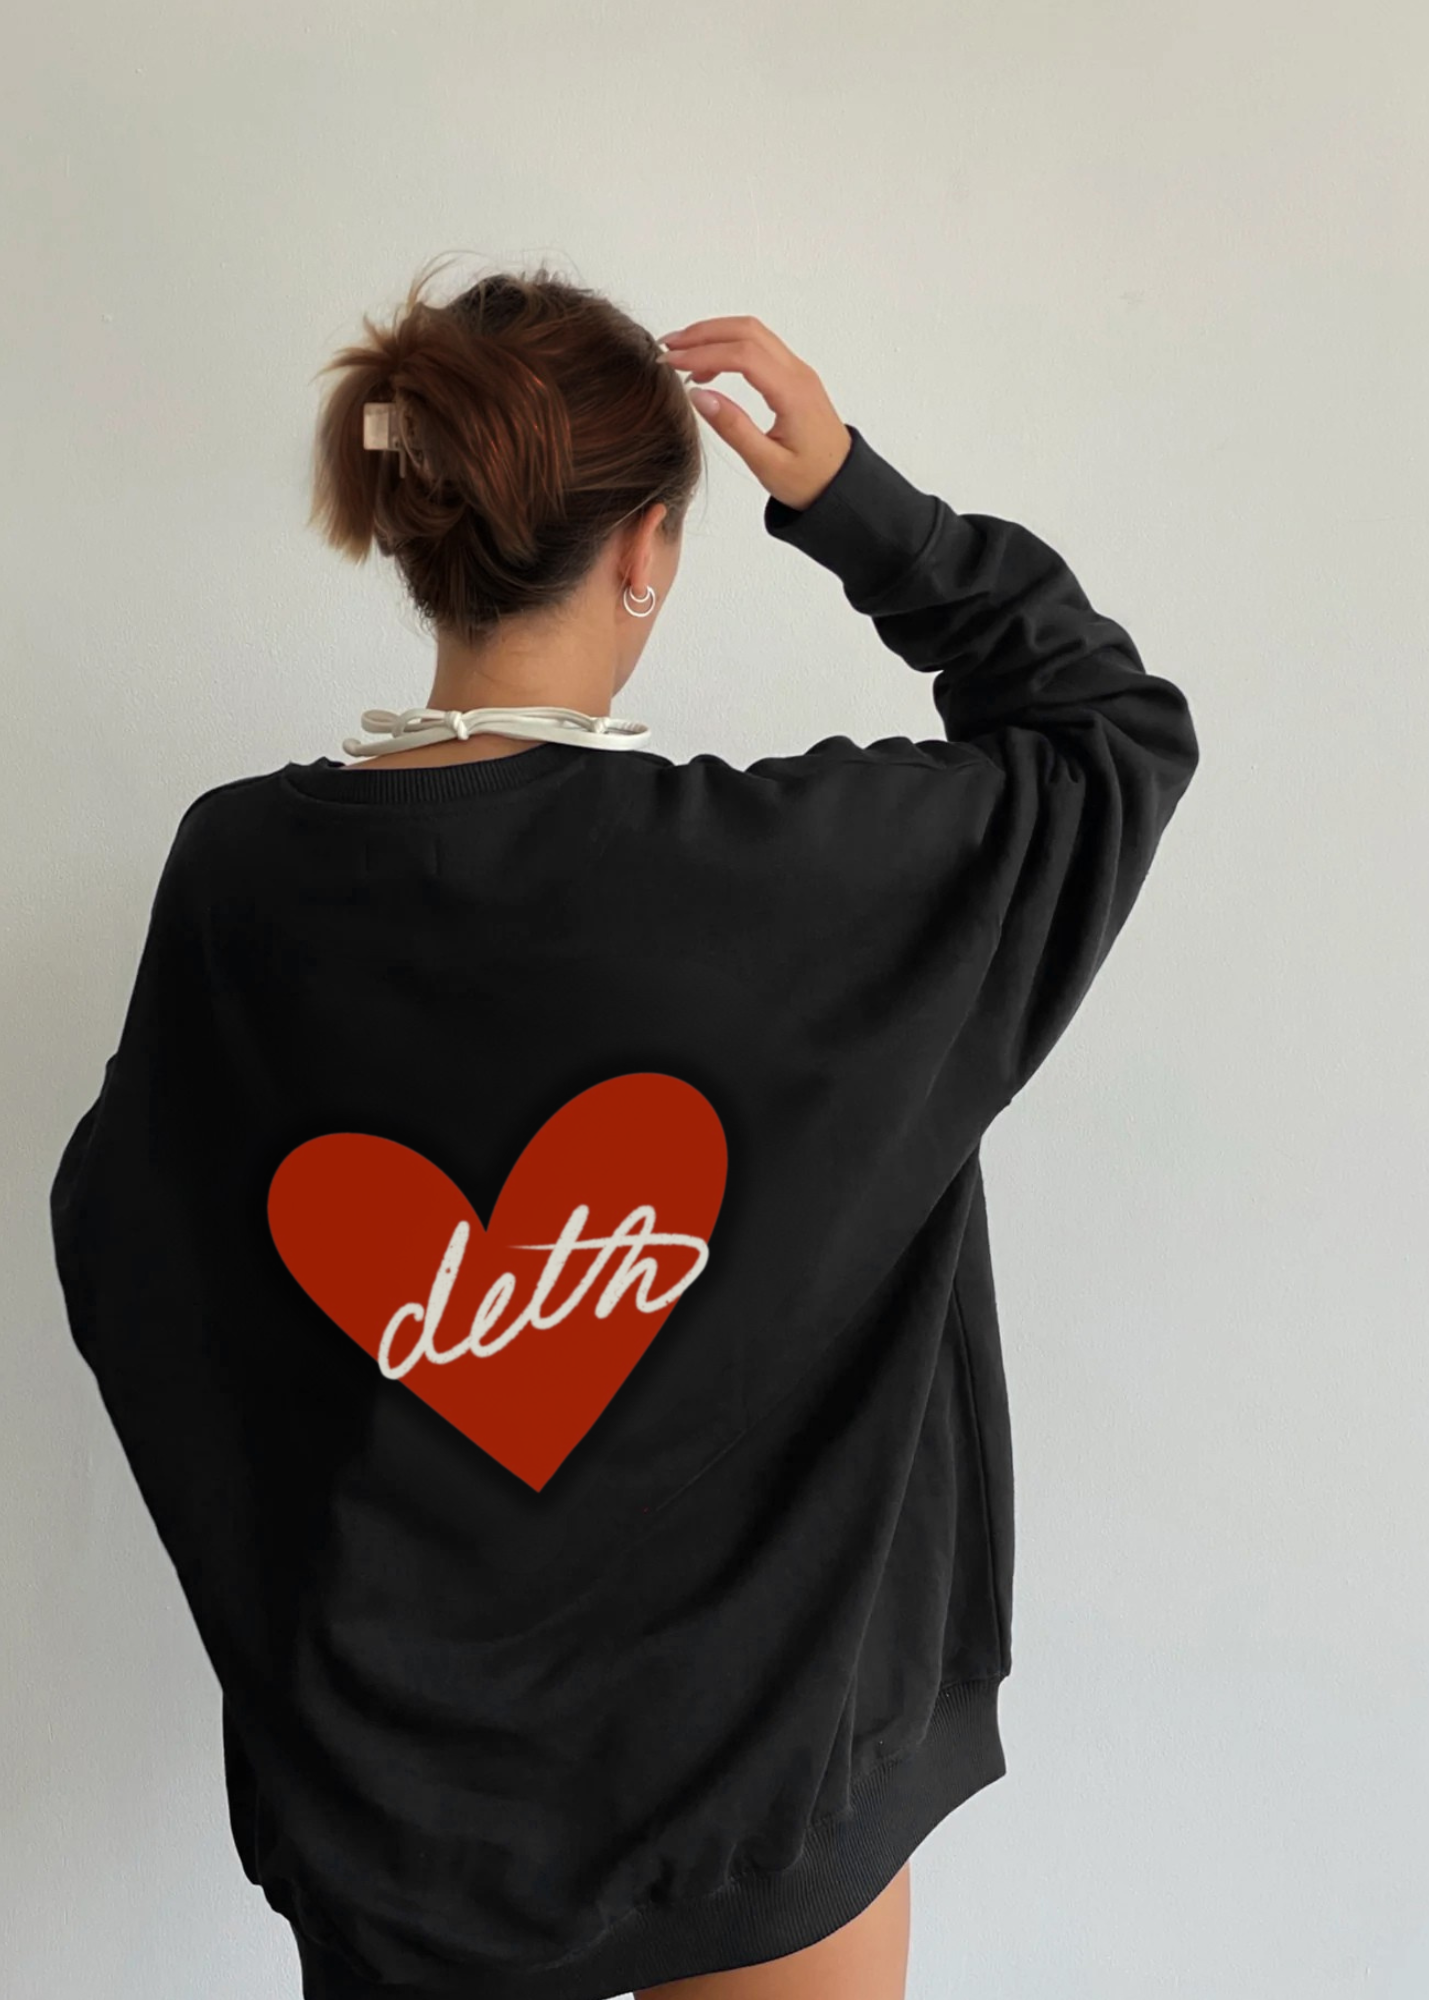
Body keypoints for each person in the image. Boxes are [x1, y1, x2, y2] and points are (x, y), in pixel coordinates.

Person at [49, 260, 1200, 2000]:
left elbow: (137, 1265)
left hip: (399, 1803)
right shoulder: (805, 879)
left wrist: (303, 1644)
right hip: (775, 1782)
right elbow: (1106, 730)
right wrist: (856, 502)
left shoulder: (244, 880)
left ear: (412, 530)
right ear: (649, 548)